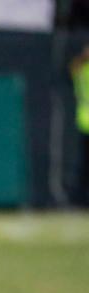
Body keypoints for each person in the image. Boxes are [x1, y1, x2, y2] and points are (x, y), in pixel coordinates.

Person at [72, 45, 89, 205]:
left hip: (84, 121)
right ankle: (80, 199)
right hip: (85, 122)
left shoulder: (81, 69)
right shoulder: (82, 70)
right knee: (84, 163)